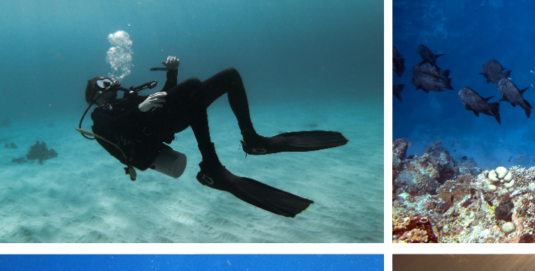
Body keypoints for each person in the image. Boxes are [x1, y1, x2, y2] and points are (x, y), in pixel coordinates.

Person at [82, 56, 348, 217]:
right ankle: (211, 168)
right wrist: (140, 109)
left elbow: (165, 99)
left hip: (164, 121)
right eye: (104, 83)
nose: (112, 83)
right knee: (194, 85)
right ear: (95, 95)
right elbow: (115, 130)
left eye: (109, 79)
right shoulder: (98, 117)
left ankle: (252, 140)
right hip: (151, 136)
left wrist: (171, 74)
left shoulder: (128, 98)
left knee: (229, 76)